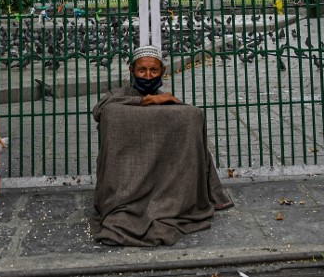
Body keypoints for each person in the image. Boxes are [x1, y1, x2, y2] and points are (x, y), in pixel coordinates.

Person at [90, 46, 232, 246]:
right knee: (113, 114)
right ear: (132, 71)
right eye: (141, 70)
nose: (147, 76)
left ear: (162, 72)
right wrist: (145, 100)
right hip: (127, 181)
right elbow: (100, 110)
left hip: (168, 188)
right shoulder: (118, 95)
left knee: (192, 116)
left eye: (153, 71)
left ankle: (167, 200)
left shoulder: (169, 102)